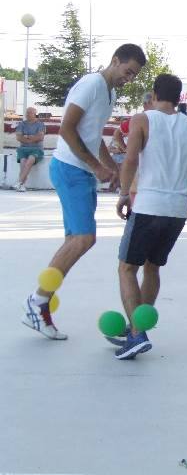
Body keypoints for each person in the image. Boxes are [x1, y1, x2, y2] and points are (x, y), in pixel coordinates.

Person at [22, 43, 145, 340]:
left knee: (75, 240)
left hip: (82, 172)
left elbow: (93, 137)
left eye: (133, 76)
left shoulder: (110, 93)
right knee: (84, 238)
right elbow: (66, 128)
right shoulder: (91, 84)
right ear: (115, 60)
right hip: (69, 169)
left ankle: (40, 305)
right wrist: (96, 167)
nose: (128, 79)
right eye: (127, 71)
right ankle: (37, 302)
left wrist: (110, 169)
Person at [109, 74, 187, 359]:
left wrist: (122, 195)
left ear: (154, 95)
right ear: (180, 97)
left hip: (149, 206)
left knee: (127, 268)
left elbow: (130, 160)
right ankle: (135, 330)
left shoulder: (143, 120)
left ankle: (137, 334)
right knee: (152, 267)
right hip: (177, 210)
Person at [110, 92, 154, 165]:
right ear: (146, 104)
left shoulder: (155, 118)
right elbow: (117, 133)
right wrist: (125, 149)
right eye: (154, 102)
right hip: (134, 160)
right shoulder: (138, 119)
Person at [14, 106, 46, 191]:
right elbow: (18, 137)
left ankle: (19, 182)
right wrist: (31, 138)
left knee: (30, 161)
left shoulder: (40, 124)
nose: (27, 114)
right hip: (23, 148)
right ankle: (21, 185)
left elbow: (40, 137)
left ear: (35, 114)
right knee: (23, 162)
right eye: (26, 113)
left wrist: (26, 137)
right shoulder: (22, 124)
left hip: (36, 149)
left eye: (29, 113)